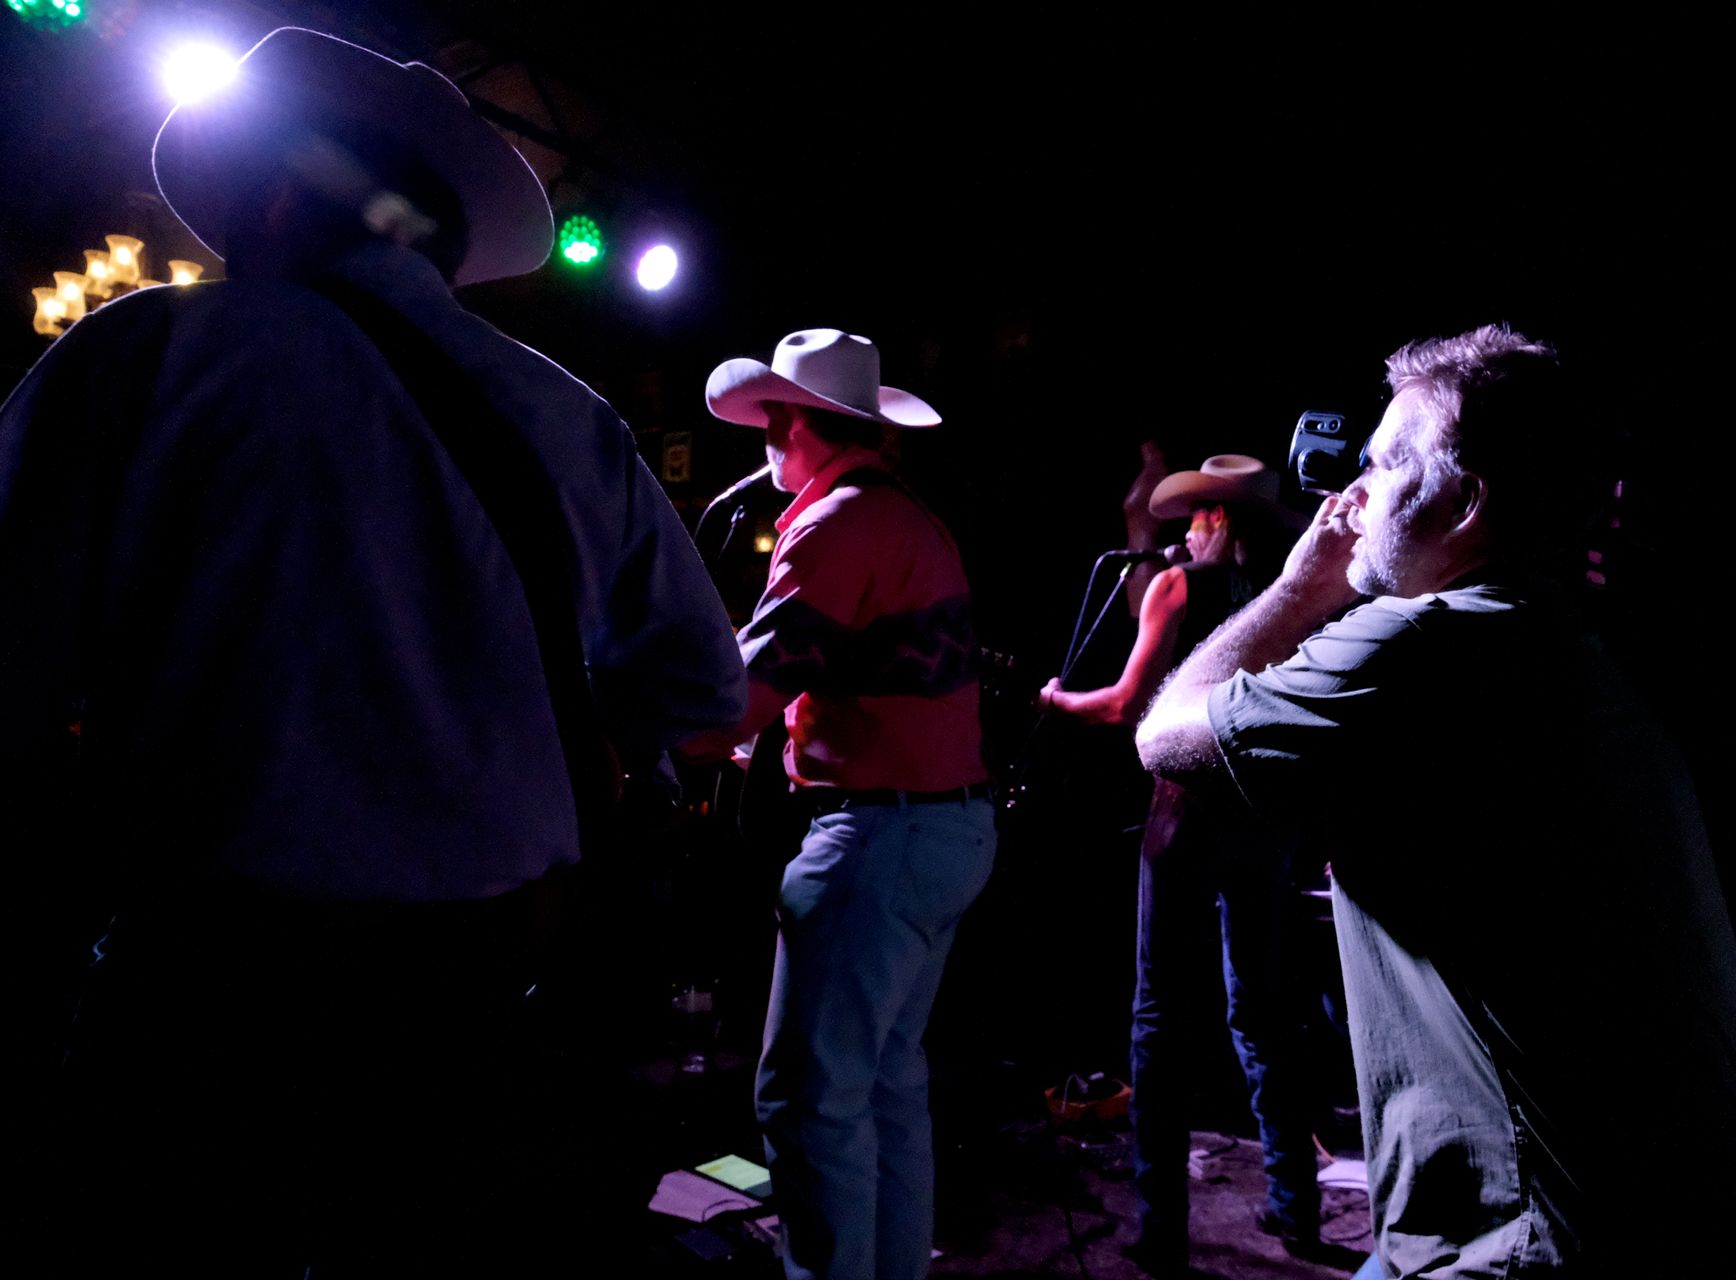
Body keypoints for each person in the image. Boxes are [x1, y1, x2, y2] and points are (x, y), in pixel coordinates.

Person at [0, 28, 746, 1275]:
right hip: (483, 989)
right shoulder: (571, 416)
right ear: (443, 247)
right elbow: (703, 685)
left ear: (278, 202)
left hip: (209, 980)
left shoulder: (151, 350)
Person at [1135, 325, 1736, 1277]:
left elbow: (1163, 736)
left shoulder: (1422, 647)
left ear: (1464, 502)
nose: (1349, 498)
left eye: (1381, 467)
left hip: (1551, 1237)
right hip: (1690, 1215)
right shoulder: (1556, 633)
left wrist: (1300, 588)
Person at [691, 329, 997, 1280]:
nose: (764, 446)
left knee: (807, 1101)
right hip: (947, 827)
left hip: (877, 838)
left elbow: (737, 699)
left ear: (794, 422)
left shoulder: (832, 525)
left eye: (769, 425)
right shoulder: (906, 515)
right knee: (886, 1087)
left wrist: (653, 719)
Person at [1042, 455, 1336, 1269]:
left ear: (1217, 518)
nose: (1186, 532)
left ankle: (1160, 1227)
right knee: (1263, 1009)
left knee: (1159, 1016)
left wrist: (1056, 699)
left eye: (1197, 517)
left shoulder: (1178, 587)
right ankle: (1295, 1206)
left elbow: (1126, 705)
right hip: (1267, 814)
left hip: (1187, 812)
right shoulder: (1294, 598)